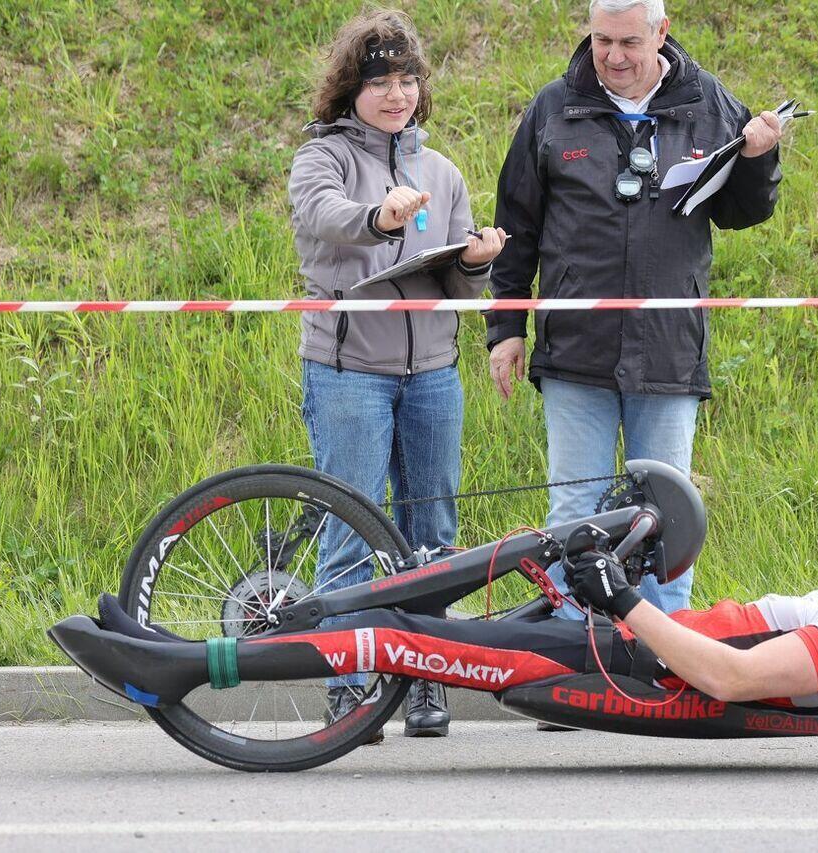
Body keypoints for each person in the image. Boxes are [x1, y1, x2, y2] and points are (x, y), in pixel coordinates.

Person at [485, 0, 784, 621]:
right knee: (576, 515)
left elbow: (742, 212)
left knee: (666, 517)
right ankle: (574, 653)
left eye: (628, 43)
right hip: (575, 351)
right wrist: (506, 327)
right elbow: (516, 225)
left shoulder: (708, 102)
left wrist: (759, 159)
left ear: (661, 33)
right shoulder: (553, 107)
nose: (613, 56)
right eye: (602, 41)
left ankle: (664, 659)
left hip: (669, 350)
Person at [259, 487, 818, 709]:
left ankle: (216, 660)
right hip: (635, 641)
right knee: (438, 599)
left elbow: (732, 675)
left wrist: (622, 601)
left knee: (399, 635)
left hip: (624, 660)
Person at [287, 8, 507, 739]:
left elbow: (459, 289)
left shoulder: (442, 171)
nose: (395, 94)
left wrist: (475, 261)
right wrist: (380, 218)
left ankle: (425, 681)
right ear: (351, 89)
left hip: (434, 374)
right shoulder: (321, 158)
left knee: (433, 534)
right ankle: (349, 687)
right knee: (352, 529)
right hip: (348, 371)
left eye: (406, 80)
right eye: (379, 81)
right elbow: (327, 217)